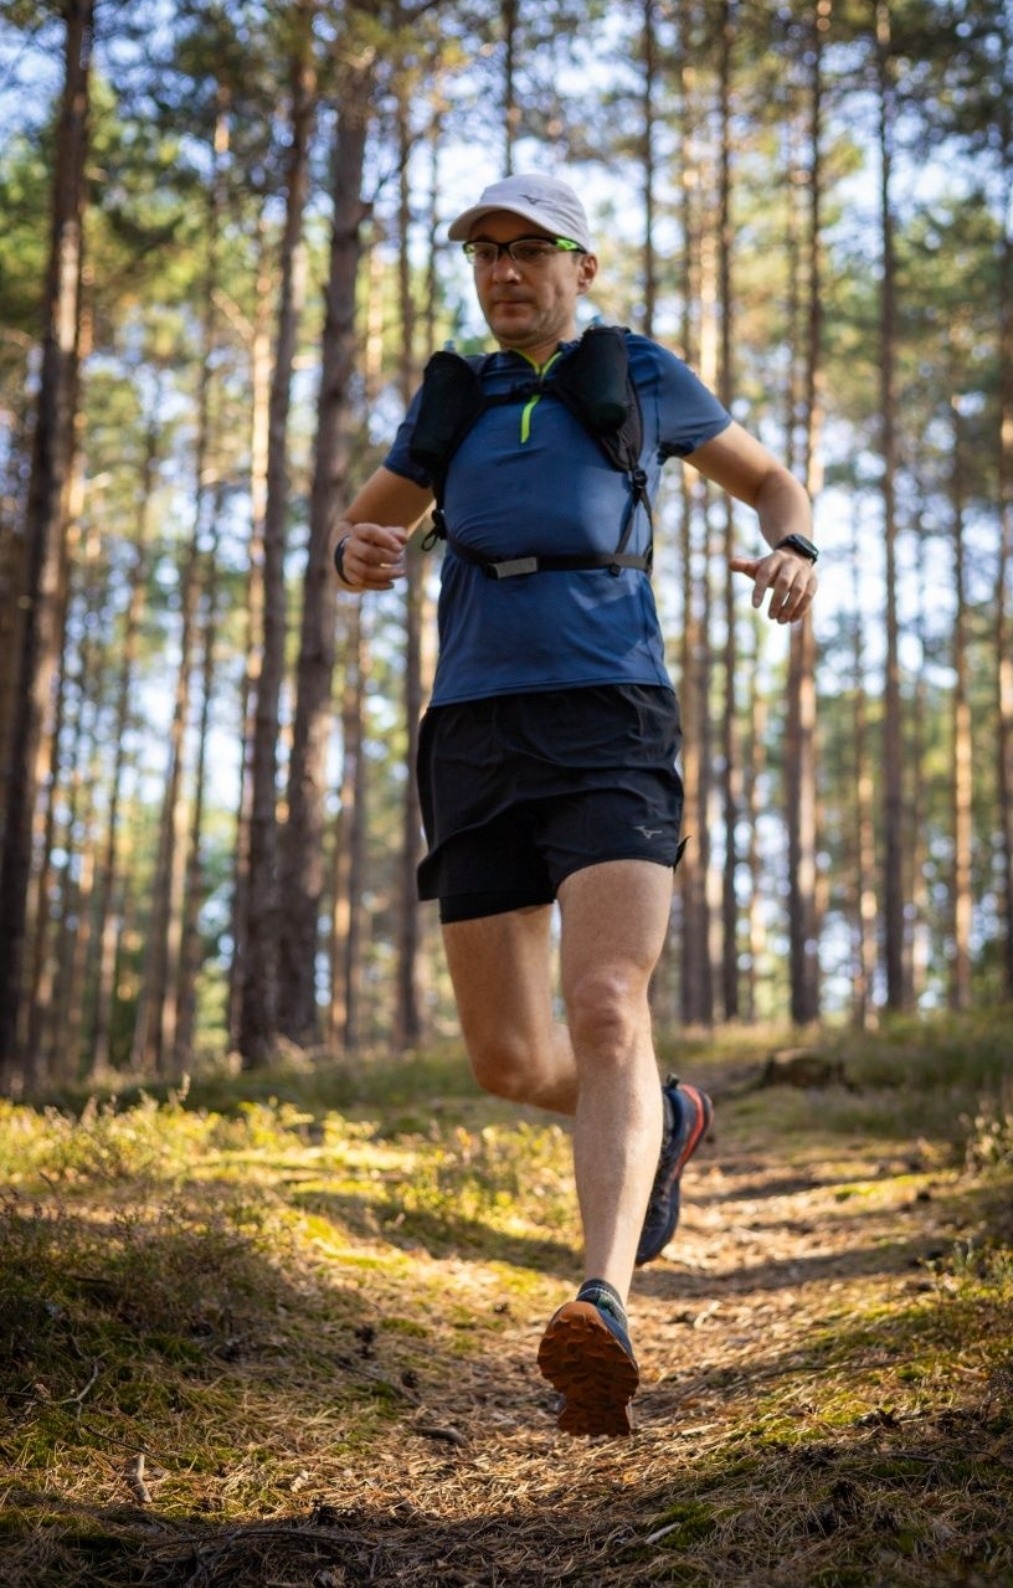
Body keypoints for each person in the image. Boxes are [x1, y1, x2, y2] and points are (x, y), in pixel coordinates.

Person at [332, 172, 817, 1438]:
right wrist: (359, 551)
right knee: (509, 1061)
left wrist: (792, 549)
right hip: (473, 730)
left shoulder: (638, 373)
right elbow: (361, 531)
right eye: (481, 253)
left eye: (527, 250)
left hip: (610, 713)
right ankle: (665, 1117)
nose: (501, 273)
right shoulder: (456, 398)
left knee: (606, 1001)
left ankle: (598, 1303)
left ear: (579, 266)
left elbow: (771, 482)